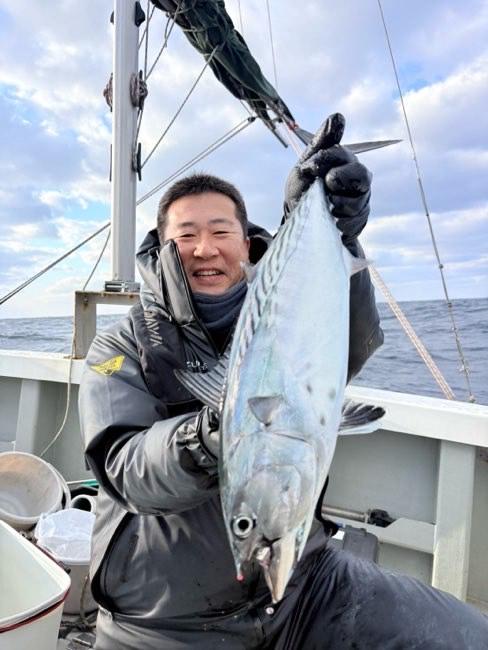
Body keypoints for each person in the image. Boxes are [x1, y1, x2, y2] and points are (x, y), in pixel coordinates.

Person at [79, 114, 488, 649]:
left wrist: (338, 236)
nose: (205, 248)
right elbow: (126, 469)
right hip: (164, 615)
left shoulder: (292, 304)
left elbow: (352, 348)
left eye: (220, 232)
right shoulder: (119, 346)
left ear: (247, 245)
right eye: (186, 235)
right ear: (162, 248)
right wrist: (216, 432)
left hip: (305, 584)